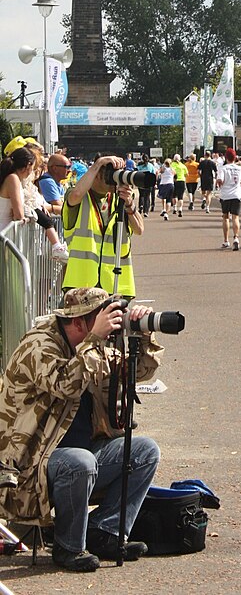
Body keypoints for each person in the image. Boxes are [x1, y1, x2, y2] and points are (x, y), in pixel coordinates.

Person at [0, 286, 162, 572]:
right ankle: (68, 546)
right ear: (78, 322)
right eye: (103, 320)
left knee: (144, 451)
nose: (109, 329)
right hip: (32, 462)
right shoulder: (38, 346)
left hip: (78, 452)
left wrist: (142, 336)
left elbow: (137, 372)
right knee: (81, 462)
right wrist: (94, 338)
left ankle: (105, 533)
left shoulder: (91, 344)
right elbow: (66, 384)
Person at [61, 155, 144, 297]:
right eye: (112, 174)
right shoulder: (81, 197)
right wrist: (98, 164)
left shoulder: (119, 200)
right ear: (98, 174)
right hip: (82, 288)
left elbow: (139, 229)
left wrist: (129, 204)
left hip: (115, 285)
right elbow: (75, 195)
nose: (116, 180)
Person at [216, 147, 241, 250]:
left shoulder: (223, 169)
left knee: (225, 217)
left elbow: (220, 181)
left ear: (226, 157)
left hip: (225, 195)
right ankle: (236, 238)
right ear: (235, 158)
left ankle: (226, 240)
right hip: (236, 195)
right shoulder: (240, 169)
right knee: (235, 217)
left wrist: (220, 185)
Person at [0, 146, 36, 233]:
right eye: (33, 168)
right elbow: (19, 214)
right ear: (28, 165)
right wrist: (27, 218)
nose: (32, 171)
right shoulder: (13, 179)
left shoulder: (12, 178)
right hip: (4, 232)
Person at [171, 154, 187, 219]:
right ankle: (180, 208)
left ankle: (174, 207)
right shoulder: (183, 165)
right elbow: (186, 173)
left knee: (174, 195)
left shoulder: (171, 165)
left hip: (175, 181)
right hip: (182, 181)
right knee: (180, 196)